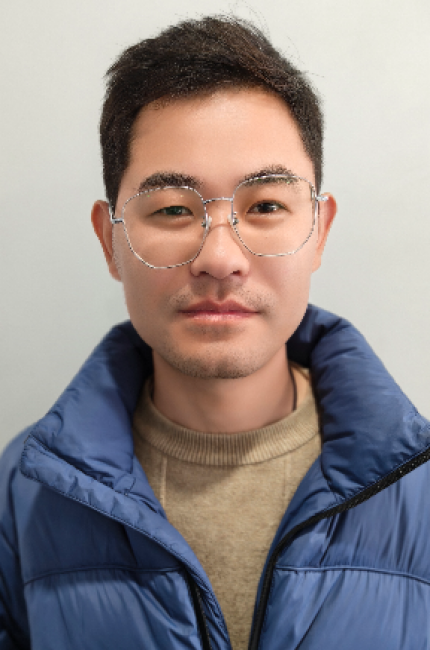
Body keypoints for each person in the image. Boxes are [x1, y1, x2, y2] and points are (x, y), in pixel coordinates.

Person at [0, 15, 429, 650]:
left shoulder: (420, 488)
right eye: (174, 209)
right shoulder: (24, 492)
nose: (220, 258)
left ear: (319, 230)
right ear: (109, 241)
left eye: (266, 206)